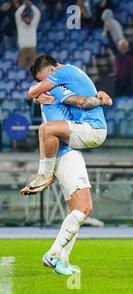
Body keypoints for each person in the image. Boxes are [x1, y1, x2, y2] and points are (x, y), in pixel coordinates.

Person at [33, 85, 107, 276]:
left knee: (74, 211)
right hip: (67, 154)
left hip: (62, 153)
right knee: (85, 208)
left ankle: (62, 261)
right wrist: (103, 100)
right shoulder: (56, 88)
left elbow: (34, 90)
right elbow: (82, 102)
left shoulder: (44, 91)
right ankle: (53, 254)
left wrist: (35, 95)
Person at [20, 54, 112, 195]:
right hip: (84, 127)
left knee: (47, 128)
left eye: (45, 80)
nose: (45, 84)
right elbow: (33, 92)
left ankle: (45, 175)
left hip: (92, 129)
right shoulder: (69, 73)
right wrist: (36, 97)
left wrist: (101, 101)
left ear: (51, 70)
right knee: (45, 129)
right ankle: (44, 175)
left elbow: (82, 102)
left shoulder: (61, 73)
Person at [15, 0, 40, 68]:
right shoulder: (20, 25)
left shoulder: (33, 24)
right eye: (26, 17)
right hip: (23, 49)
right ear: (23, 19)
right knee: (21, 67)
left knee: (34, 68)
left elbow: (38, 13)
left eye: (29, 17)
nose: (28, 18)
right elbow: (17, 14)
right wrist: (24, 5)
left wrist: (31, 5)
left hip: (32, 49)